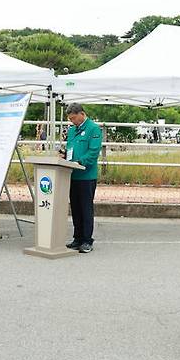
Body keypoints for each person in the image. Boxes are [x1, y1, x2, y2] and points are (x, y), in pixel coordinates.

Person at [61, 103, 103, 254]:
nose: (72, 121)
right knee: (76, 208)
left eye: (74, 118)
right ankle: (77, 238)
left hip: (86, 175)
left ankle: (87, 240)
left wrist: (80, 162)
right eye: (70, 119)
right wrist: (64, 156)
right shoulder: (72, 130)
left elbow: (93, 152)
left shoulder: (93, 129)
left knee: (86, 208)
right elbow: (70, 149)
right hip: (73, 174)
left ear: (81, 114)